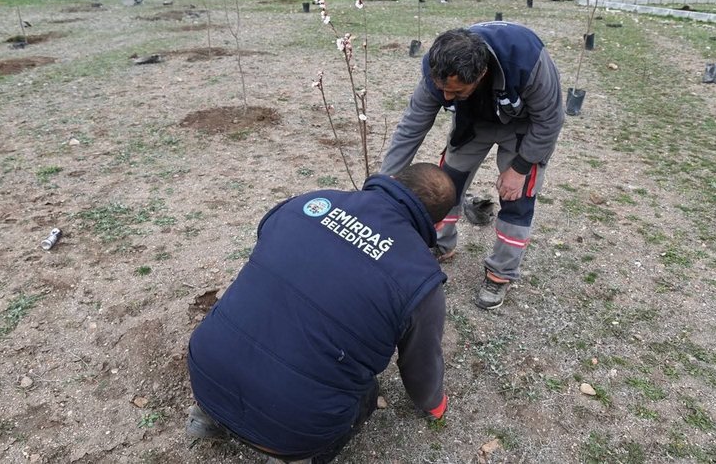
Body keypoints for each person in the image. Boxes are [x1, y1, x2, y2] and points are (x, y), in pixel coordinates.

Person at [186, 163, 456, 464]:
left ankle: (207, 414)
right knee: (366, 395)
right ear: (436, 226)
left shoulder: (309, 202)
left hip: (204, 367)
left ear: (393, 179)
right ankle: (291, 455)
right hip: (294, 421)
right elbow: (420, 362)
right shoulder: (421, 278)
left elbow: (266, 249)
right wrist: (433, 402)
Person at [379, 24, 564, 310]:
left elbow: (550, 121)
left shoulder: (528, 61)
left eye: (455, 91)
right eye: (443, 90)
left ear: (481, 74)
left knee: (517, 197)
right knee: (446, 184)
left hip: (523, 127)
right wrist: (386, 179)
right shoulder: (436, 68)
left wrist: (520, 167)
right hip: (474, 123)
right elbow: (412, 126)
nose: (446, 98)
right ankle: (441, 243)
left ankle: (500, 273)